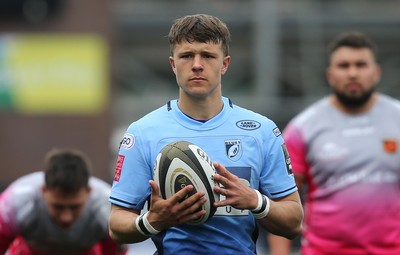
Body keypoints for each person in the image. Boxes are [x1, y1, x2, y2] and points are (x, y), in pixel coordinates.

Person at [108, 13, 303, 255]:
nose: (197, 64)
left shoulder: (261, 131)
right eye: (187, 55)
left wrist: (255, 200)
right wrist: (152, 221)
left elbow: (294, 221)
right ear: (173, 64)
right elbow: (116, 224)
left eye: (208, 56)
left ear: (225, 64)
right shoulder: (144, 133)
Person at [268, 31, 400, 254]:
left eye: (360, 65)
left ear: (376, 72)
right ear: (330, 75)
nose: (352, 73)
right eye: (344, 65)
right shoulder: (303, 128)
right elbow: (280, 201)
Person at [0, 148, 127, 255]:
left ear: (89, 191)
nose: (66, 217)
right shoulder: (14, 204)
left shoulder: (107, 206)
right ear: (43, 191)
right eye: (58, 207)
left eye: (75, 207)